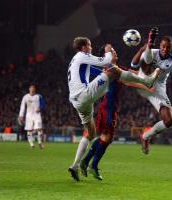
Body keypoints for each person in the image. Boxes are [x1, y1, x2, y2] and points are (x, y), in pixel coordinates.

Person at [67, 37, 159, 181]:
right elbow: (107, 64)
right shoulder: (84, 56)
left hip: (78, 101)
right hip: (96, 102)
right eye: (89, 46)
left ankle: (75, 165)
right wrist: (109, 51)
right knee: (106, 137)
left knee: (91, 134)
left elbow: (127, 75)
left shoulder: (78, 60)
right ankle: (91, 164)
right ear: (84, 47)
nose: (90, 48)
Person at [131, 27, 172, 154]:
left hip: (158, 88)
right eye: (163, 46)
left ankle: (145, 137)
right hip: (144, 79)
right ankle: (150, 41)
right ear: (160, 45)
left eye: (168, 47)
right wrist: (144, 48)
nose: (165, 49)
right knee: (148, 57)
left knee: (169, 121)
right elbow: (134, 64)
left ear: (171, 48)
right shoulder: (152, 52)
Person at [18, 84, 45, 149]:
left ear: (35, 89)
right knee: (29, 130)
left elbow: (43, 104)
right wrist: (21, 115)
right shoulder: (25, 97)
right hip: (29, 115)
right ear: (29, 89)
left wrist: (40, 108)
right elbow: (22, 106)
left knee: (39, 128)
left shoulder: (38, 96)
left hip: (37, 115)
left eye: (33, 88)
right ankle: (31, 144)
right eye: (31, 88)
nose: (32, 89)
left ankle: (39, 142)